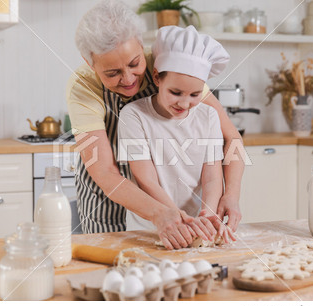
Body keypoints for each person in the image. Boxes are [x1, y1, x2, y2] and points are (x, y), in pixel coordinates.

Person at [66, 0, 244, 249]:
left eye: (134, 64)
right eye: (112, 73)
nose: (128, 79)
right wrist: (161, 213)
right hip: (104, 199)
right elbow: (105, 171)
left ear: (143, 46)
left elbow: (231, 138)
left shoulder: (174, 68)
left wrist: (230, 195)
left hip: (173, 202)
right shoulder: (83, 87)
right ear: (90, 64)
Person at [117, 25, 232, 243]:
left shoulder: (208, 116)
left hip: (197, 226)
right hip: (149, 229)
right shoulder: (134, 115)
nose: (184, 103)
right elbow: (146, 179)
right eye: (175, 92)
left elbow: (212, 176)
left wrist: (206, 214)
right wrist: (176, 217)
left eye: (195, 94)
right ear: (157, 78)